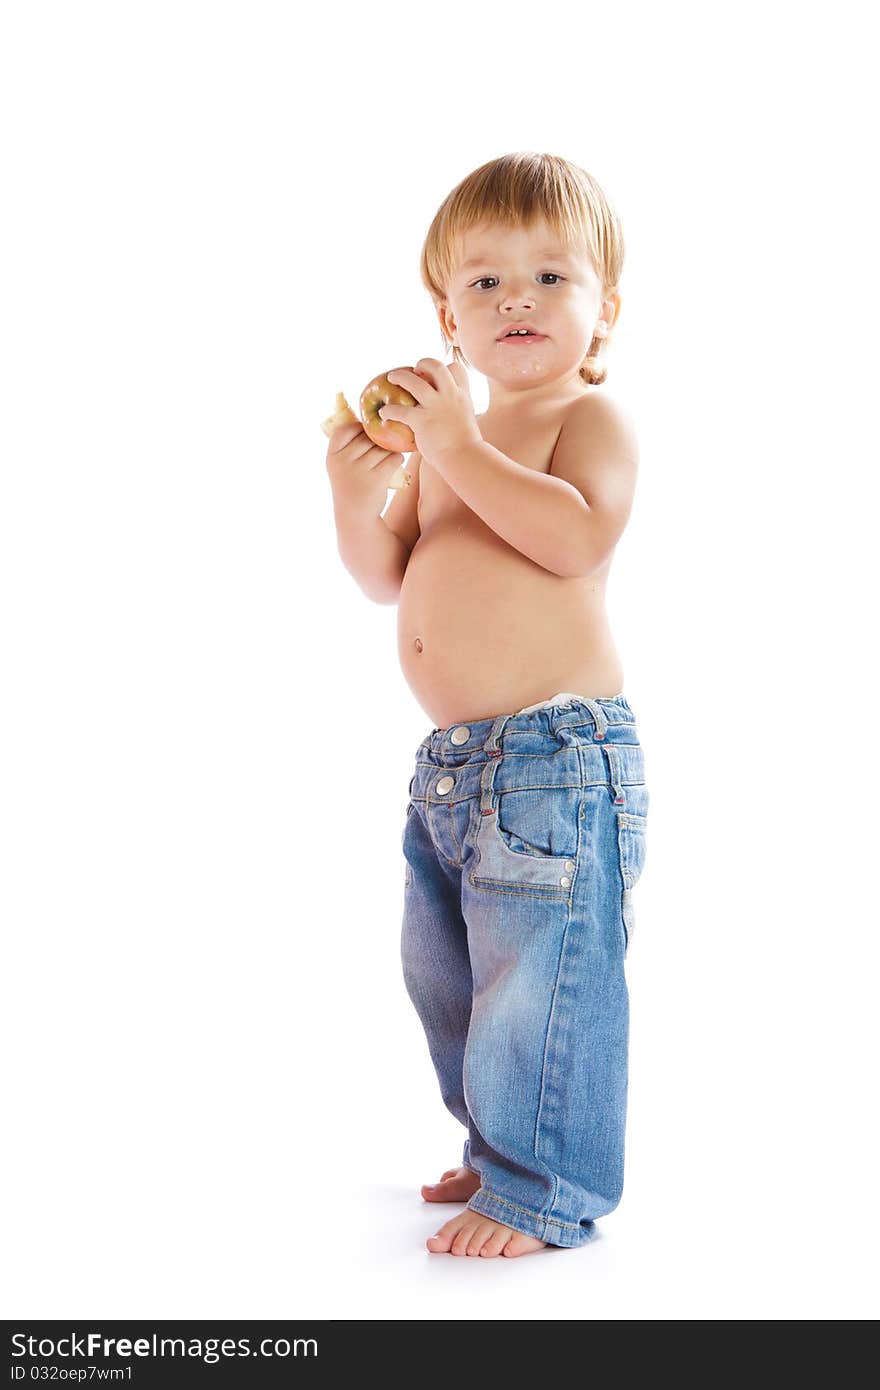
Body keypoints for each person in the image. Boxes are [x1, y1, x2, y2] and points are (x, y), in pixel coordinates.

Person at [324, 152, 649, 1257]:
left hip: (555, 760)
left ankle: (546, 1181)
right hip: (456, 768)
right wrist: (353, 482)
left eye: (551, 279)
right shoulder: (441, 447)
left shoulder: (582, 420)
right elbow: (383, 572)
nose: (517, 300)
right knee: (453, 974)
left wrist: (454, 442)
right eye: (485, 283)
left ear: (604, 309)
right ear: (446, 316)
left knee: (541, 976)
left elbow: (573, 538)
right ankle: (495, 1145)